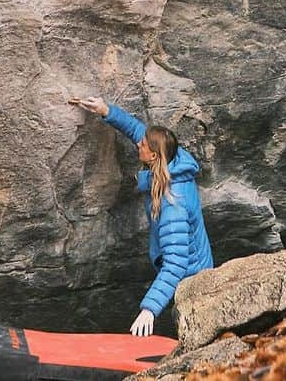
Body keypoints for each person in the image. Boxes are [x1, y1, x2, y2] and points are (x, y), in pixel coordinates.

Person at [73, 96, 213, 337]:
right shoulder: (174, 160)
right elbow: (140, 132)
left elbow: (176, 264)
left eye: (144, 146)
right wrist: (106, 110)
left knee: (197, 334)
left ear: (154, 157)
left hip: (193, 282)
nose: (139, 144)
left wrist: (149, 309)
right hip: (196, 266)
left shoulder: (173, 206)